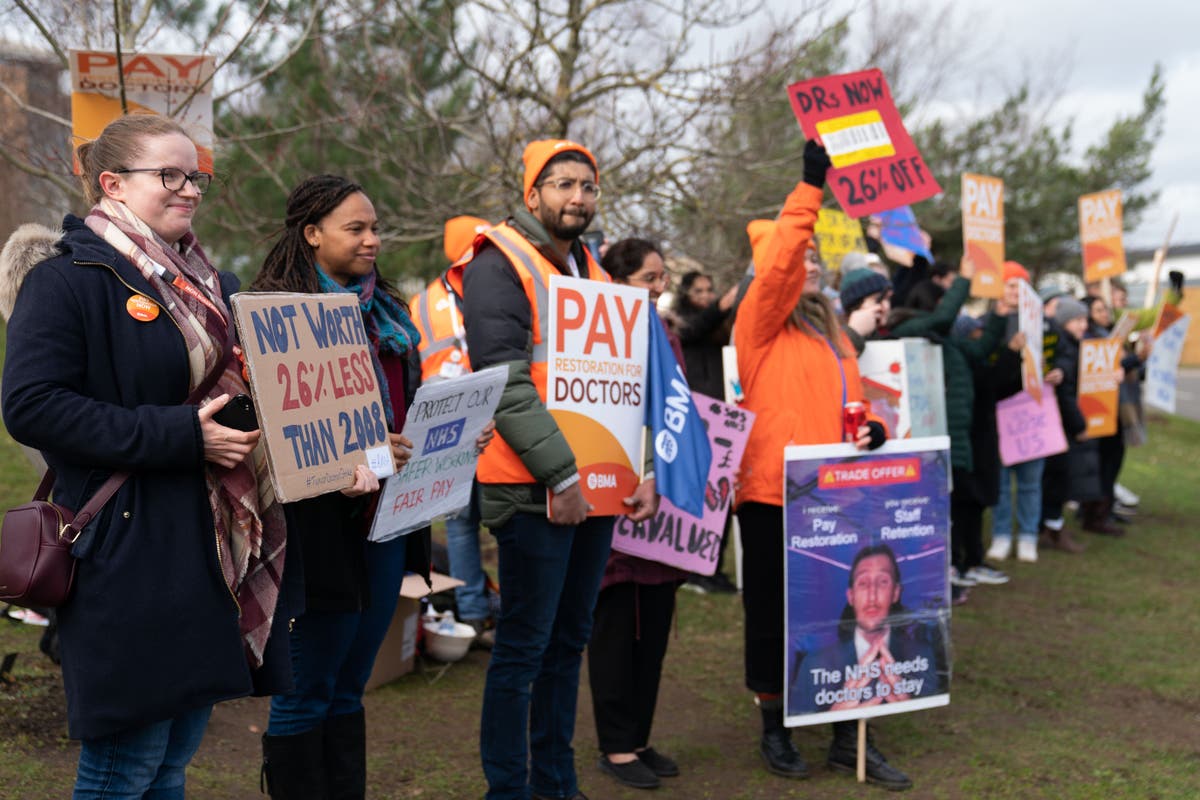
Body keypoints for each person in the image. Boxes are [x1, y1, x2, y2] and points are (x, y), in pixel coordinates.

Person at [1, 113, 295, 799]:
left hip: (207, 544)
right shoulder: (70, 279)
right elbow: (32, 406)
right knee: (125, 766)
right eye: (169, 174)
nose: (189, 188)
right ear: (113, 183)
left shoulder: (207, 283)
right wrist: (180, 436)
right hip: (124, 552)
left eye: (193, 175)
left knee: (171, 761)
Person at [251, 175, 492, 799]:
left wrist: (453, 436)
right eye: (355, 228)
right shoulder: (276, 319)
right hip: (316, 534)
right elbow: (274, 435)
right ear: (311, 235)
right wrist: (358, 453)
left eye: (375, 227)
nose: (372, 240)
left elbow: (401, 418)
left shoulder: (390, 316)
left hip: (387, 526)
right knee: (307, 692)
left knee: (349, 686)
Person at [461, 139, 658, 800]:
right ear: (531, 194)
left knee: (568, 642)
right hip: (529, 488)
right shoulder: (498, 263)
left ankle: (557, 783)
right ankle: (509, 790)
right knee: (522, 648)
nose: (578, 197)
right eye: (563, 184)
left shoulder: (593, 271)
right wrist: (563, 478)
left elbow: (623, 385)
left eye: (588, 185)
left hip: (595, 491)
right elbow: (504, 384)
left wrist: (640, 470)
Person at [733, 140, 907, 791]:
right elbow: (778, 264)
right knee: (775, 616)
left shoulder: (832, 330)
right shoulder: (757, 324)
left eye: (813, 255)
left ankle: (846, 735)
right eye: (797, 255)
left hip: (836, 496)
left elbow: (851, 402)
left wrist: (872, 429)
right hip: (773, 495)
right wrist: (810, 191)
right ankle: (775, 728)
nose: (806, 261)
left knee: (843, 610)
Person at [585, 238, 688, 791]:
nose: (660, 286)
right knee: (616, 628)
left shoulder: (668, 335)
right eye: (649, 277)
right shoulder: (600, 335)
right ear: (618, 282)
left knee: (654, 630)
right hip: (614, 502)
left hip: (660, 506)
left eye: (662, 276)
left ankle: (640, 737)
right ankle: (617, 746)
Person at [410, 215, 496, 647]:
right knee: (494, 518)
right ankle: (486, 612)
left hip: (441, 420)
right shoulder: (481, 290)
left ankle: (475, 612)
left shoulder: (421, 299)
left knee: (462, 525)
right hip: (480, 417)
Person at [791, 544, 941, 714]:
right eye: (863, 583)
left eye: (883, 582)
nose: (872, 595)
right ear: (851, 596)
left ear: (896, 593)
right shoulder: (815, 664)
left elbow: (929, 709)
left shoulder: (919, 656)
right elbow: (800, 714)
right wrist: (833, 714)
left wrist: (911, 705)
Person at [670, 269, 739, 594]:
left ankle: (710, 566)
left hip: (722, 417)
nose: (707, 296)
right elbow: (694, 328)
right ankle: (695, 567)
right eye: (699, 290)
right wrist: (722, 306)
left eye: (710, 289)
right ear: (686, 294)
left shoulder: (717, 324)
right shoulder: (681, 321)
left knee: (720, 498)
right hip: (699, 418)